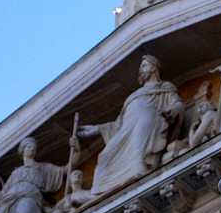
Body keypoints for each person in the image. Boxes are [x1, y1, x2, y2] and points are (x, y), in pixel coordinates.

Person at [76, 54, 184, 196]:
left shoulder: (165, 87)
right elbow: (118, 125)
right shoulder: (134, 95)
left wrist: (171, 111)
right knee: (104, 157)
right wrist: (96, 129)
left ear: (154, 67)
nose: (140, 69)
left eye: (144, 65)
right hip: (127, 127)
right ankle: (99, 191)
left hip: (149, 117)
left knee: (139, 149)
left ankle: (140, 169)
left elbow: (178, 103)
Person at [0, 136, 79, 213]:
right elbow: (3, 194)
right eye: (29, 146)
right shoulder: (16, 172)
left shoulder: (42, 168)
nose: (32, 149)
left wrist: (76, 149)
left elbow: (67, 168)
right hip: (10, 204)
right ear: (22, 150)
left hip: (30, 198)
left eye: (33, 147)